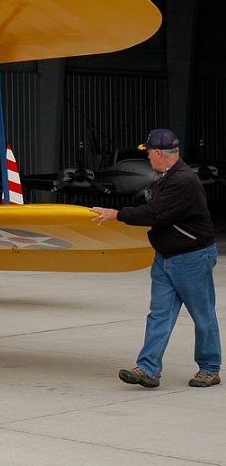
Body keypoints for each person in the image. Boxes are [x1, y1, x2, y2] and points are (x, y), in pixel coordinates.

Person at [91, 129, 219, 388]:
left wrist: (116, 214)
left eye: (148, 152)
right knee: (159, 314)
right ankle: (148, 369)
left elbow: (154, 213)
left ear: (159, 153)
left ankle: (209, 368)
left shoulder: (182, 181)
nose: (147, 157)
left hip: (191, 258)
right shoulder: (167, 177)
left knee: (202, 315)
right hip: (166, 256)